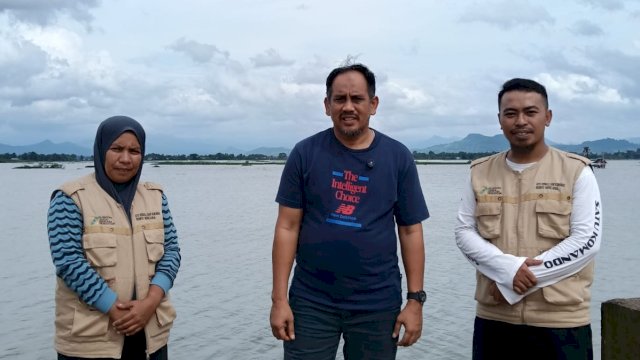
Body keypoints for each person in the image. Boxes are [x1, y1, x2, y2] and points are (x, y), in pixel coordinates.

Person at [269, 62, 429, 360]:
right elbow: (287, 227)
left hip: (378, 302)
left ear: (373, 104)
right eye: (339, 99)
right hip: (311, 300)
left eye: (357, 99)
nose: (348, 107)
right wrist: (279, 299)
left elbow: (410, 230)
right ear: (327, 105)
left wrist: (415, 300)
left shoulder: (397, 157)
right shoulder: (305, 154)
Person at [455, 78, 603, 359]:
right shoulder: (479, 173)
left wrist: (513, 283)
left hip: (562, 323)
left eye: (530, 112)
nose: (520, 120)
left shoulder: (576, 171)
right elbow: (464, 232)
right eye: (511, 113)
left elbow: (587, 241)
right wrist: (507, 270)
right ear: (500, 120)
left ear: (547, 117)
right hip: (494, 319)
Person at [47, 116, 181, 360]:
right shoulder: (70, 198)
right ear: (101, 150)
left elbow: (171, 252)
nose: (126, 159)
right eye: (116, 149)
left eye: (135, 150)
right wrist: (114, 309)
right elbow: (68, 262)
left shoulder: (155, 197)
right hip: (90, 342)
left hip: (150, 337)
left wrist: (150, 302)